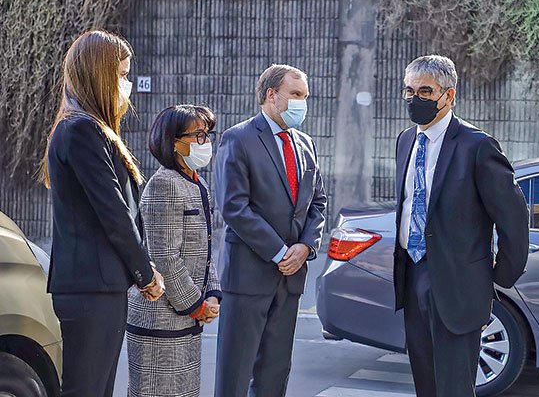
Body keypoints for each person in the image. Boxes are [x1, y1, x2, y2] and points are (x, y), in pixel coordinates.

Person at [393, 54, 529, 397]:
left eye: (426, 92)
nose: (415, 99)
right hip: (413, 277)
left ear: (449, 95)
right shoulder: (405, 141)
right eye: (409, 91)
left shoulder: (477, 146)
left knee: (454, 388)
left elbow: (513, 219)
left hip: (459, 288)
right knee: (425, 384)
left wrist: (497, 278)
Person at [40, 30, 164, 397]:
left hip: (93, 286)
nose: (126, 84)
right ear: (99, 75)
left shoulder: (83, 128)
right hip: (91, 287)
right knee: (88, 389)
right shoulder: (83, 131)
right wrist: (145, 273)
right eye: (121, 75)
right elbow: (114, 213)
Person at [214, 64, 327, 397]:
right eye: (295, 95)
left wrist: (306, 247)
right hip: (249, 275)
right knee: (235, 372)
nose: (301, 103)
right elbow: (234, 207)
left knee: (275, 373)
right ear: (271, 95)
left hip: (290, 279)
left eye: (304, 96)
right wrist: (280, 252)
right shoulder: (238, 138)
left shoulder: (306, 144)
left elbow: (318, 202)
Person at [126, 104, 222, 397]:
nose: (205, 142)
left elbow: (204, 246)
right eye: (199, 135)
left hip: (186, 316)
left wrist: (212, 293)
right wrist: (197, 305)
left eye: (207, 135)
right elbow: (165, 257)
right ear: (173, 141)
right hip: (162, 318)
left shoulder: (197, 182)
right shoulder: (164, 184)